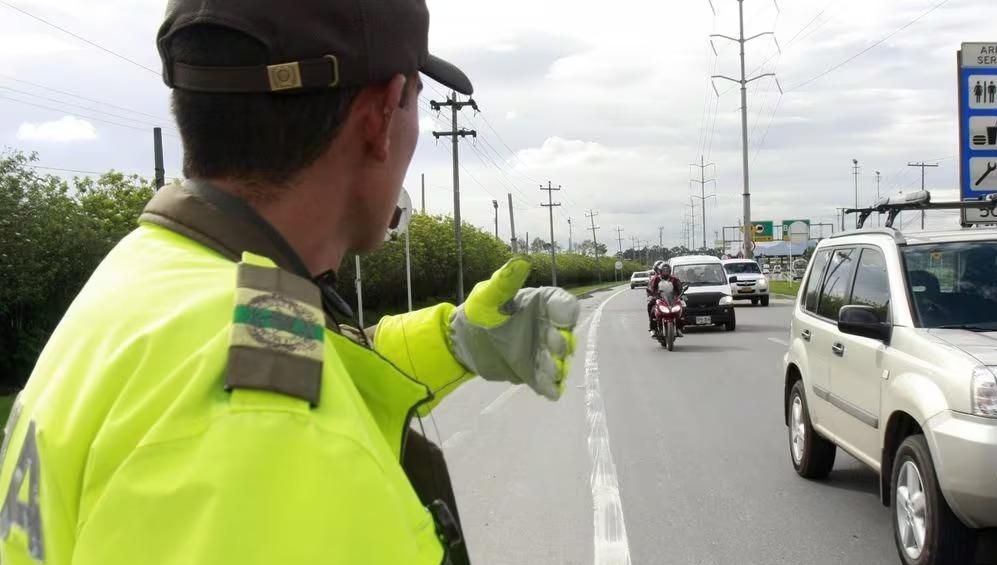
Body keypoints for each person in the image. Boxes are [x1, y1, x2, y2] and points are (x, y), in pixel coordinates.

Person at [0, 1, 578, 564]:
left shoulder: (152, 272)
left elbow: (282, 350)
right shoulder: (269, 437)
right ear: (381, 117)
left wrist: (451, 340)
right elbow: (266, 401)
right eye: (416, 103)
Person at [647, 262, 684, 337]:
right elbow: (651, 288)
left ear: (670, 271)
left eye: (667, 270)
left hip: (672, 299)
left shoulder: (674, 279)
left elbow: (679, 289)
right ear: (660, 271)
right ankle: (653, 329)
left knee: (682, 309)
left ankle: (679, 328)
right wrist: (651, 295)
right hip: (660, 299)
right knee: (651, 308)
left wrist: (682, 295)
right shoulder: (656, 279)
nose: (665, 272)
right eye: (664, 270)